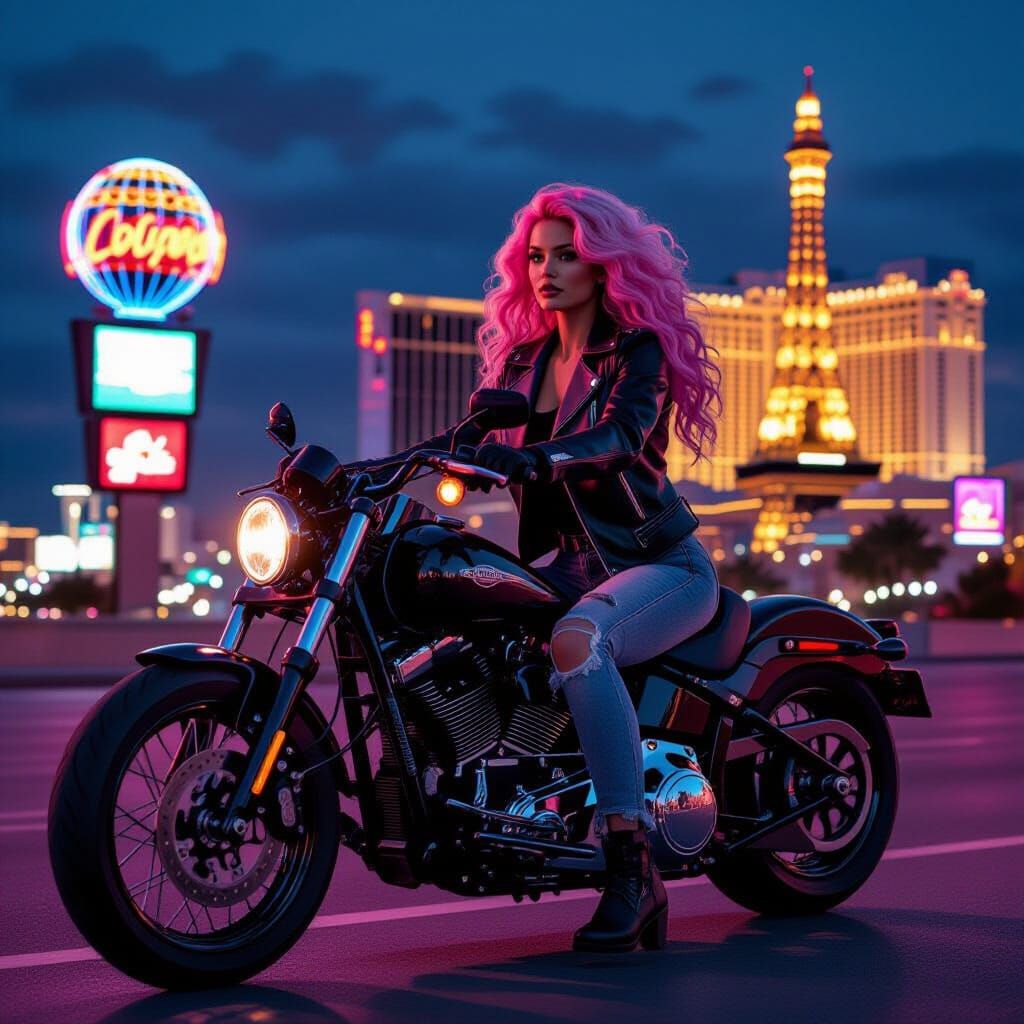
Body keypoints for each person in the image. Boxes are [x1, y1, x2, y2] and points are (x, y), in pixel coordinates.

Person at [353, 183, 722, 953]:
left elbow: (620, 435)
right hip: (570, 567)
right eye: (535, 256)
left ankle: (631, 862)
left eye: (567, 254)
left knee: (580, 641)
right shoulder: (524, 362)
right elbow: (464, 436)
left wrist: (536, 459)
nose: (547, 269)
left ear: (603, 266)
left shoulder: (635, 349)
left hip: (656, 562)